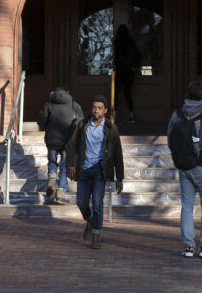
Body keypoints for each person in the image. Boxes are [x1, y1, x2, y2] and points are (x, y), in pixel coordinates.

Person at [167, 81, 202, 258]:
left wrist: (181, 157)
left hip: (184, 167)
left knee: (186, 207)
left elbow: (170, 141)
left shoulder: (177, 116)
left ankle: (188, 247)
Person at [66, 95, 124, 248]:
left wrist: (120, 178)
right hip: (84, 169)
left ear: (105, 110)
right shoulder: (82, 125)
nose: (96, 110)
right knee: (81, 201)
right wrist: (69, 165)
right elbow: (71, 145)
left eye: (99, 108)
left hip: (100, 170)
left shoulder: (111, 128)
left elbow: (118, 153)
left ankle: (96, 234)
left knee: (98, 204)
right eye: (93, 107)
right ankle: (90, 221)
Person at [37, 87, 83, 204]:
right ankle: (61, 191)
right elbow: (80, 121)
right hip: (67, 141)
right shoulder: (74, 105)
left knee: (52, 161)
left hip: (51, 139)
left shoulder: (48, 104)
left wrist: (46, 127)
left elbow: (41, 121)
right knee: (64, 167)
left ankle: (52, 176)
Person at [113, 24, 140, 123]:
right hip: (130, 71)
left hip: (121, 69)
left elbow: (117, 57)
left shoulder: (117, 41)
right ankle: (131, 115)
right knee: (127, 92)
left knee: (116, 91)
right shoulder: (131, 41)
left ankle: (114, 115)